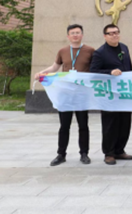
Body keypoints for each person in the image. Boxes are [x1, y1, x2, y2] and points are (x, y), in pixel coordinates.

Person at [35, 24, 95, 166]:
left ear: (82, 35)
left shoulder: (90, 51)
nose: (75, 35)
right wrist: (41, 73)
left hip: (81, 93)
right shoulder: (63, 51)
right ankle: (61, 154)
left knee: (83, 125)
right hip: (65, 94)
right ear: (68, 36)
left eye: (78, 32)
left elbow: (96, 69)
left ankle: (84, 153)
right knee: (64, 126)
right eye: (72, 33)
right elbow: (55, 67)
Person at [90, 24, 132, 165]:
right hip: (109, 95)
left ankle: (120, 150)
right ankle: (109, 153)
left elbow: (129, 68)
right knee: (110, 124)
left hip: (124, 93)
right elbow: (93, 72)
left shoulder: (124, 48)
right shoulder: (100, 53)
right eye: (111, 33)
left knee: (124, 123)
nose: (115, 35)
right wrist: (109, 72)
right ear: (105, 36)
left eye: (116, 32)